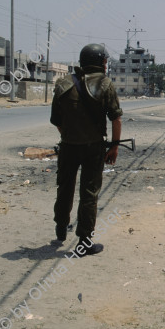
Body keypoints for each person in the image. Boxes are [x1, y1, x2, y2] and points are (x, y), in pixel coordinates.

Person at [50, 43, 122, 256]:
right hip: (93, 148)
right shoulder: (105, 84)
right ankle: (84, 242)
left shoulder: (63, 83)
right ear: (100, 61)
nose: (106, 64)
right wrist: (115, 147)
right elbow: (116, 119)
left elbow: (56, 120)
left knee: (64, 187)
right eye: (105, 60)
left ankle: (61, 227)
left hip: (68, 147)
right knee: (89, 193)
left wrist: (69, 136)